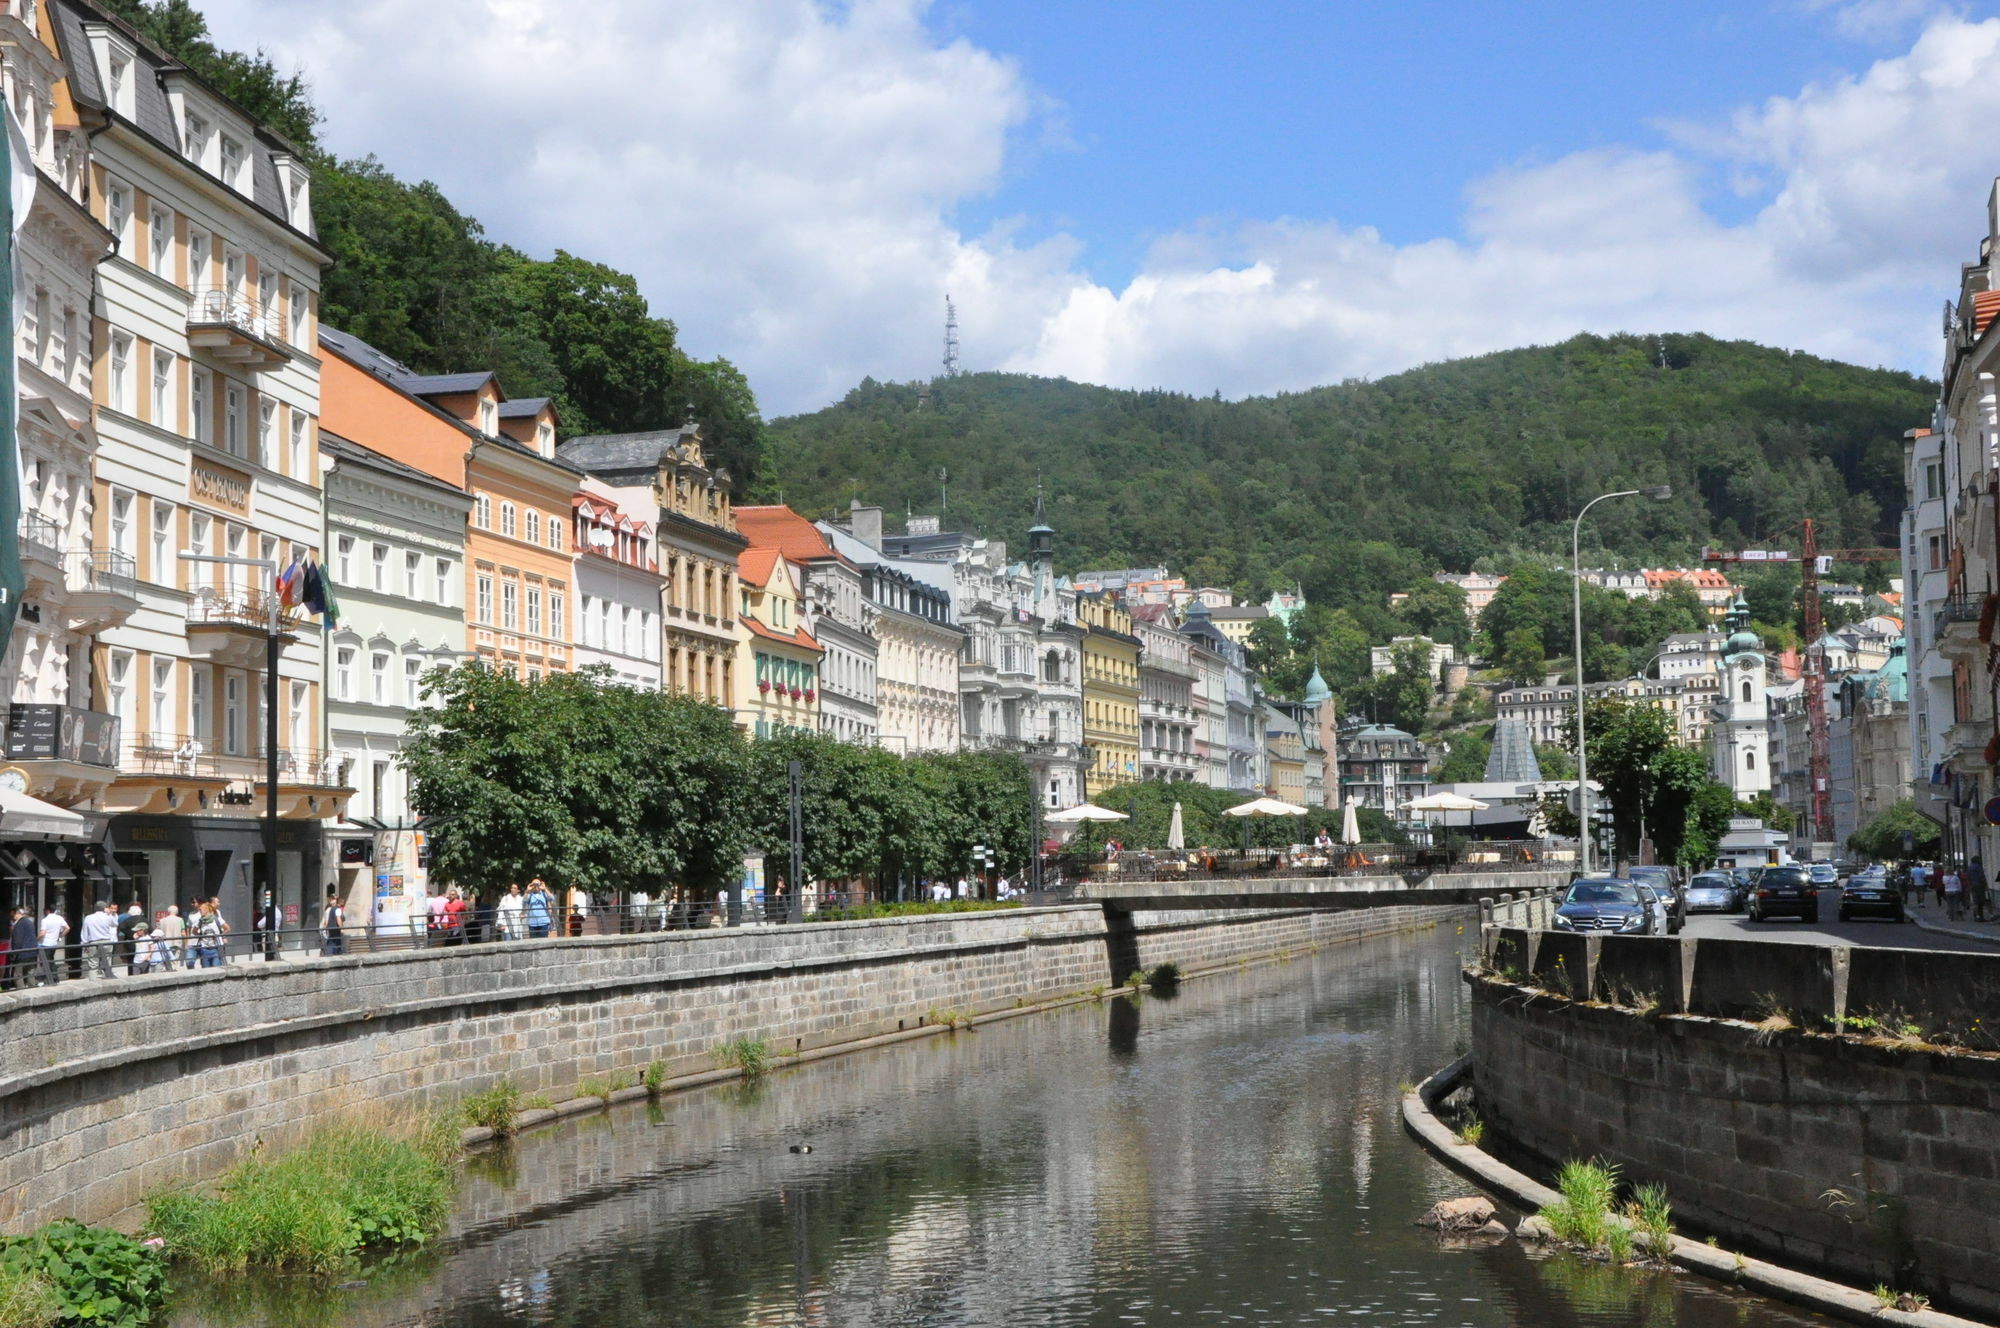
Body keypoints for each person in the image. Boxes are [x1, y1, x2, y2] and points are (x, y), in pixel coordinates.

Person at [79, 900, 118, 978]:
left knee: (93, 965)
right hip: (107, 942)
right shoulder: (107, 917)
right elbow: (115, 924)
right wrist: (110, 914)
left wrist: (84, 944)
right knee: (107, 962)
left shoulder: (88, 918)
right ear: (104, 908)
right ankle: (108, 979)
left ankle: (93, 982)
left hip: (93, 942)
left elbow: (84, 932)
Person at [35, 902, 67, 985]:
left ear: (47, 911)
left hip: (45, 944)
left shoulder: (45, 920)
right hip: (53, 943)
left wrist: (36, 939)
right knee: (51, 960)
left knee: (45, 962)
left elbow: (42, 933)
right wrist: (60, 935)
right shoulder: (59, 918)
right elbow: (67, 928)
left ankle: (47, 979)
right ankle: (54, 978)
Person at [6, 906, 33, 989]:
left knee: (17, 974)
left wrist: (14, 953)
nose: (12, 918)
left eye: (12, 916)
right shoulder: (29, 922)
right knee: (30, 973)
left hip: (22, 953)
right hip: (32, 952)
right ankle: (32, 989)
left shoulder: (19, 924)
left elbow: (17, 941)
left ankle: (22, 991)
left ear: (17, 914)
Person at [157, 905, 186, 969]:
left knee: (166, 958)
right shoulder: (180, 920)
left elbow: (158, 932)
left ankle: (167, 969)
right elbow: (183, 932)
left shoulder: (161, 921)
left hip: (165, 942)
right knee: (175, 958)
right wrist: (185, 942)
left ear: (168, 911)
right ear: (177, 912)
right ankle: (174, 969)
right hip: (177, 942)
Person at [255, 890, 281, 961]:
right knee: (273, 954)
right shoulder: (278, 912)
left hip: (267, 936)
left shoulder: (271, 912)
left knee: (268, 956)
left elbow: (260, 925)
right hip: (276, 935)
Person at [321, 888, 346, 956]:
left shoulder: (331, 909)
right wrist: (341, 928)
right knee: (337, 942)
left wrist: (326, 928)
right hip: (335, 929)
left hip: (330, 928)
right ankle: (336, 954)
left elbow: (328, 920)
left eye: (334, 899)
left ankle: (329, 954)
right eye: (332, 899)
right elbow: (338, 919)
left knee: (331, 942)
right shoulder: (337, 909)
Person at [1969, 856, 1990, 923]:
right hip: (1979, 885)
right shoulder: (1978, 867)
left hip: (1972, 885)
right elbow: (1981, 876)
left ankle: (1976, 916)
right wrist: (1986, 884)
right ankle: (1982, 916)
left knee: (1975, 901)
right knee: (1981, 900)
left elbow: (1968, 877)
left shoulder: (1969, 867)